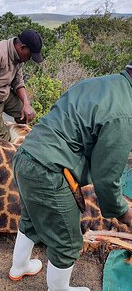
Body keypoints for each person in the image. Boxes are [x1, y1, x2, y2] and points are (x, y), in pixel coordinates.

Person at [9, 61, 132, 290]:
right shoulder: (125, 113)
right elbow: (107, 177)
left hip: (25, 156)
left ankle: (19, 267)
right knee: (67, 241)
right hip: (50, 170)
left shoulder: (98, 83)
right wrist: (123, 212)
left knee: (30, 219)